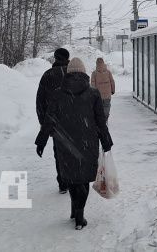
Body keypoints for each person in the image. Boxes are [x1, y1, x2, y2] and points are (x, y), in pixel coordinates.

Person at [35, 57, 113, 230]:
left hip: (65, 143)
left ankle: (75, 210)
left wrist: (41, 141)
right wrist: (106, 141)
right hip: (87, 143)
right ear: (84, 72)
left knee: (71, 178)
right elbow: (100, 122)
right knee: (83, 179)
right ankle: (79, 214)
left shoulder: (57, 94)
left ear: (68, 73)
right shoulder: (93, 93)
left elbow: (49, 120)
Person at [35, 47, 70, 193]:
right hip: (75, 120)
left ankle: (63, 182)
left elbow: (40, 102)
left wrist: (44, 123)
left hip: (54, 122)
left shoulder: (47, 75)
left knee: (59, 152)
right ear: (67, 58)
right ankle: (74, 179)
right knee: (74, 150)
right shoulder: (73, 74)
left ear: (55, 58)